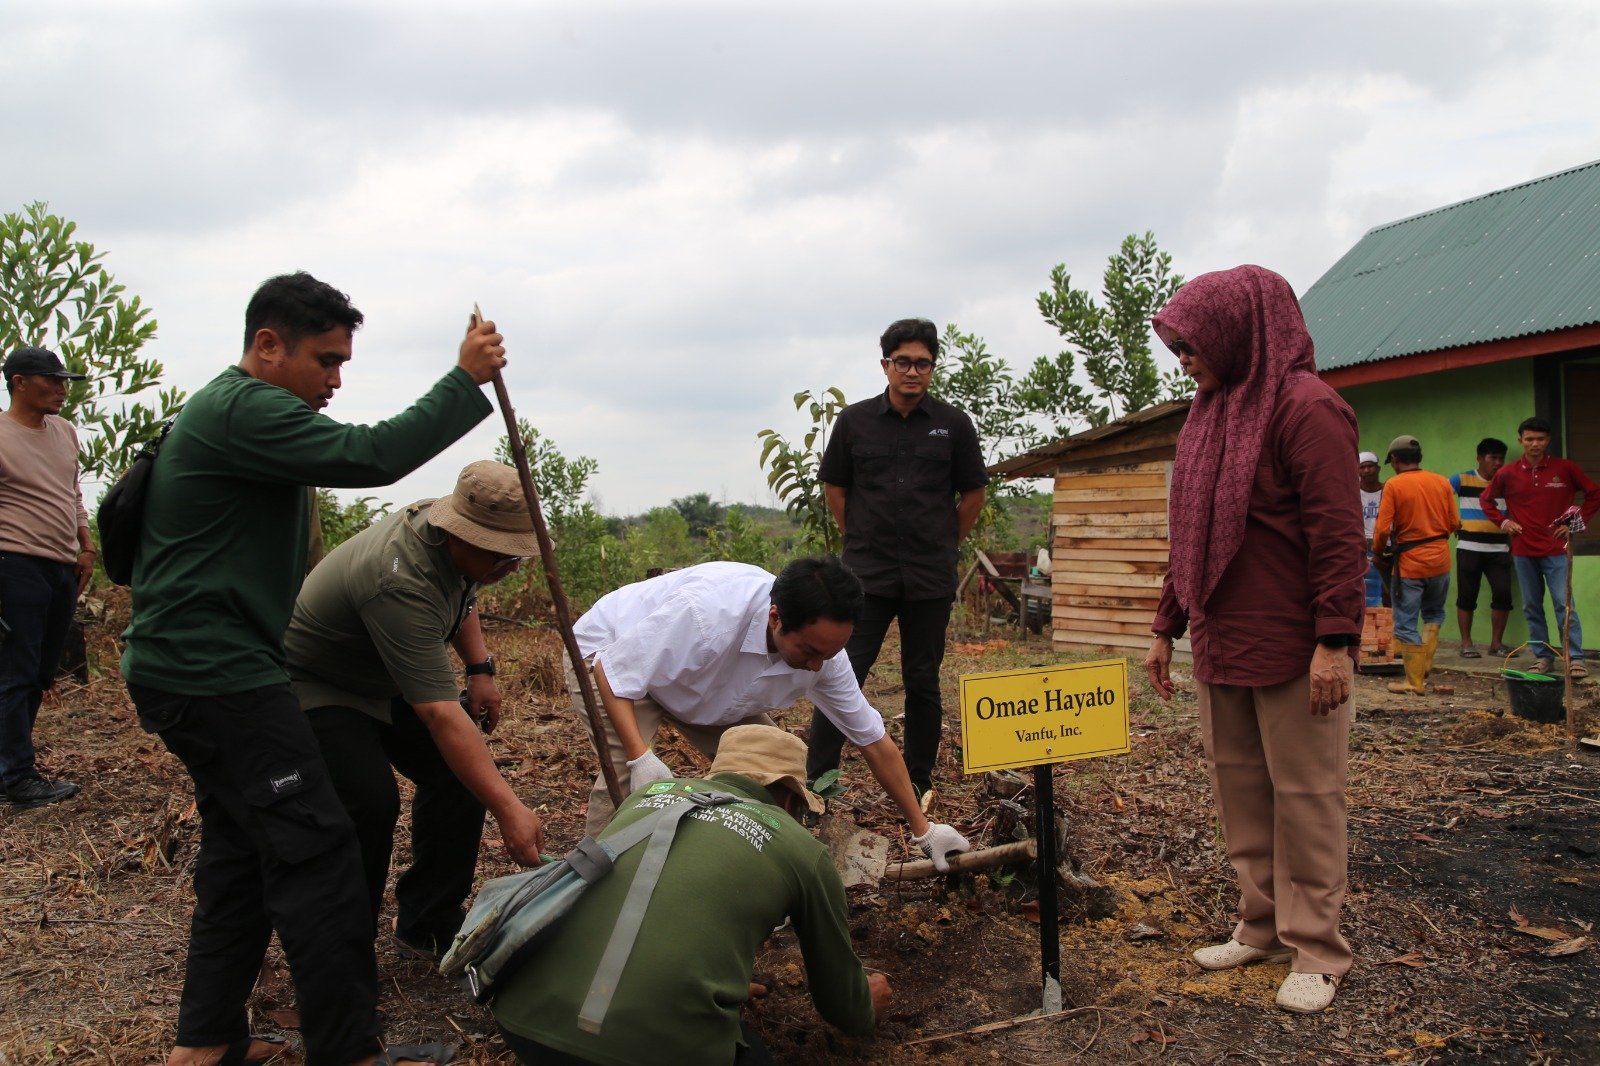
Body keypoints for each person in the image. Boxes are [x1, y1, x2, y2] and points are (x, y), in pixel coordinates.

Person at [120, 273, 501, 1066]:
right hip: (216, 675)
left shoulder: (238, 417)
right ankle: (348, 1050)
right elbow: (372, 455)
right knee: (321, 849)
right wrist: (464, 380)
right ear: (268, 345)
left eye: (343, 364)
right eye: (326, 361)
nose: (336, 380)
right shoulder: (245, 409)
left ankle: (206, 1043)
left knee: (240, 849)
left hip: (200, 669)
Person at [1143, 265, 1363, 1015]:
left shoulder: (1308, 408)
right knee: (1240, 789)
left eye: (1192, 344)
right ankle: (1262, 925)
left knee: (1306, 796)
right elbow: (1190, 533)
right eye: (1177, 348)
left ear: (1241, 330)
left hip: (1294, 644)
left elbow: (1338, 536)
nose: (1185, 360)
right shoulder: (1212, 410)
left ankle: (1318, 949)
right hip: (1220, 640)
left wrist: (1335, 639)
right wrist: (1166, 625)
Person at [491, 724, 891, 1065]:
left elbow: (639, 899)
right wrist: (864, 1005)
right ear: (788, 797)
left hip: (522, 1022)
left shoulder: (645, 797)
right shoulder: (803, 849)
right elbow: (843, 1006)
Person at [286, 461, 545, 962]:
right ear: (458, 536)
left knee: (459, 781)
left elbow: (463, 595)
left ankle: (428, 922)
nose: (510, 568)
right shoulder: (398, 580)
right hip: (323, 681)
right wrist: (510, 809)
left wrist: (480, 668)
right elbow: (440, 715)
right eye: (501, 556)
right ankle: (343, 950)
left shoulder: (449, 535)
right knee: (368, 802)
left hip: (385, 674)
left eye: (516, 556)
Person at [569, 557, 969, 869]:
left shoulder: (825, 658)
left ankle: (757, 875)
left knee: (774, 776)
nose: (817, 666)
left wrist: (924, 829)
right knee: (628, 787)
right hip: (613, 656)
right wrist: (641, 758)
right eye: (809, 651)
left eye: (827, 655)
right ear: (775, 618)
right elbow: (614, 671)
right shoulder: (707, 617)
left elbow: (874, 741)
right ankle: (595, 887)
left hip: (702, 685)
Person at [806, 318, 988, 800]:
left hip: (929, 576)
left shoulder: (953, 425)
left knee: (922, 679)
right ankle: (819, 779)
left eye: (922, 363)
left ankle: (918, 780)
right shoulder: (854, 422)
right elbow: (836, 488)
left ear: (932, 368)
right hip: (867, 574)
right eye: (903, 362)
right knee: (840, 671)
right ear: (885, 365)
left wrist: (946, 543)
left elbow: (973, 493)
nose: (912, 371)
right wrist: (861, 539)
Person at [0, 346, 93, 808]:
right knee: (15, 671)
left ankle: (13, 765)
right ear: (19, 382)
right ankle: (15, 776)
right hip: (14, 562)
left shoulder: (65, 432)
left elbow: (72, 492)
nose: (61, 389)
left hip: (61, 564)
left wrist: (87, 545)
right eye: (52, 380)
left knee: (40, 672)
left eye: (64, 381)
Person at [1481, 417, 1599, 678]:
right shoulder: (1507, 473)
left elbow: (1594, 493)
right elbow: (1486, 500)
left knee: (1563, 603)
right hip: (1523, 551)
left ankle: (1574, 658)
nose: (1535, 444)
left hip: (1557, 549)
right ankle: (1543, 657)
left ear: (1548, 441)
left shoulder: (1565, 468)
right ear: (1520, 440)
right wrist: (1504, 522)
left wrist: (1573, 523)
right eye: (1530, 439)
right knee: (1532, 607)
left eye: (1541, 439)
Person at [1371, 435, 1459, 695]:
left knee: (1406, 622)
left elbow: (1382, 529)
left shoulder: (1395, 485)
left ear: (1396, 461)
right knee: (1434, 614)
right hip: (1441, 559)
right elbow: (1454, 522)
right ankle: (1426, 664)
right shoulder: (1441, 482)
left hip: (1411, 563)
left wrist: (1377, 552)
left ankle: (1414, 681)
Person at [1450, 438, 1512, 658]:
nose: (1497, 463)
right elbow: (1440, 497)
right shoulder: (1462, 479)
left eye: (1501, 458)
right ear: (1479, 458)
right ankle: (1466, 643)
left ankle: (1496, 644)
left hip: (1499, 549)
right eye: (1492, 458)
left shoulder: (1507, 483)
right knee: (1467, 596)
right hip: (1469, 547)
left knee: (1503, 595)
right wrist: (1451, 521)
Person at [1358, 451, 1386, 609]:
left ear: (1378, 469)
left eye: (1370, 466)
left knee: (1386, 594)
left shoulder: (1388, 491)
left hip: (1384, 549)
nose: (1366, 471)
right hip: (1360, 549)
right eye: (1362, 467)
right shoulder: (1353, 493)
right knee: (1364, 594)